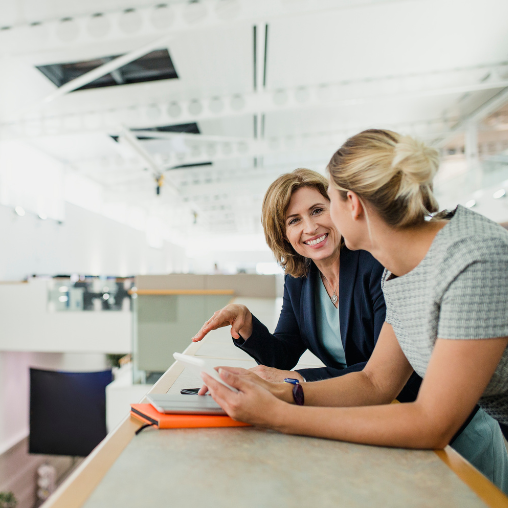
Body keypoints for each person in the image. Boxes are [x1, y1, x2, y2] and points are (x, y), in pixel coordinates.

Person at [199, 130, 508, 492]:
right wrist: (286, 393)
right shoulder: (400, 266)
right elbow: (376, 381)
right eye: (295, 219)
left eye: (324, 204)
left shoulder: (474, 258)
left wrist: (282, 413)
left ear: (352, 205)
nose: (315, 223)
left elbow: (431, 421)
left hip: (464, 439)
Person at [193, 169, 421, 399]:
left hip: (407, 401)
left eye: (318, 211)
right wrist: (247, 324)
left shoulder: (377, 265)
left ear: (336, 210)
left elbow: (387, 371)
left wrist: (300, 380)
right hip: (352, 400)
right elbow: (283, 356)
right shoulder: (298, 278)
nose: (310, 228)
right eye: (294, 220)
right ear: (283, 235)